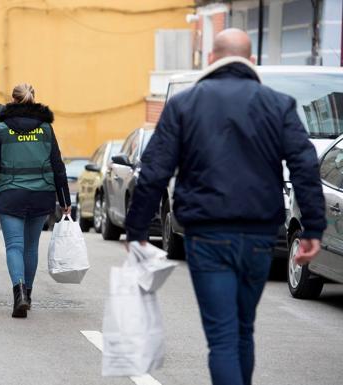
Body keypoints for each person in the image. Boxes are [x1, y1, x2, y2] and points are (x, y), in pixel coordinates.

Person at [124, 29, 326, 385]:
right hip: (260, 236)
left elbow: (154, 170)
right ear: (250, 62)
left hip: (207, 235)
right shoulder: (278, 104)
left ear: (211, 60)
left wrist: (138, 230)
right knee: (242, 329)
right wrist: (312, 228)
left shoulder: (184, 104)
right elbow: (305, 164)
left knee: (222, 337)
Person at [0, 83, 71, 318]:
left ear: (13, 102)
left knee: (14, 246)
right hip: (41, 194)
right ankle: (29, 293)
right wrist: (65, 199)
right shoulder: (45, 128)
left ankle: (19, 295)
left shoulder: (2, 129)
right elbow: (58, 166)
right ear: (34, 100)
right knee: (31, 247)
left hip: (11, 195)